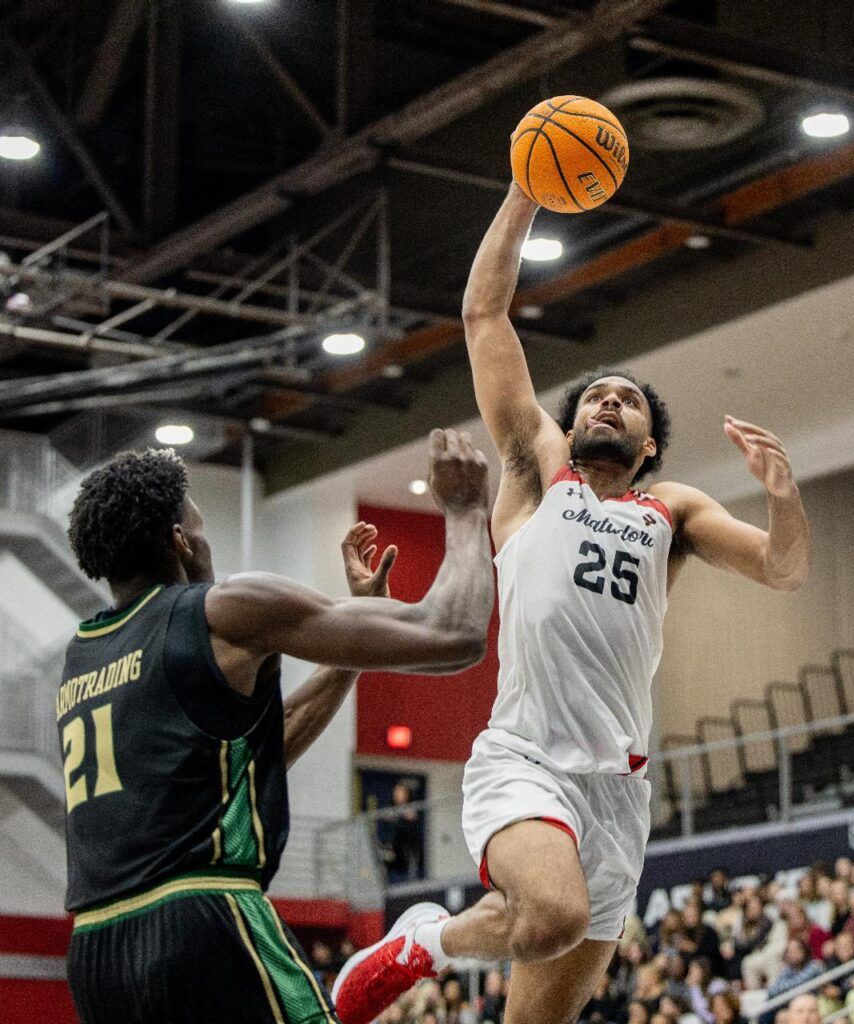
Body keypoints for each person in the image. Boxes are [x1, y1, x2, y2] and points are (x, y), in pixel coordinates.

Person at [332, 182, 811, 1024]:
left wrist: (783, 498)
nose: (607, 400)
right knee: (551, 915)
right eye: (596, 394)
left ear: (649, 444)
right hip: (526, 757)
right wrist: (525, 190)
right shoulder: (538, 474)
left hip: (620, 789)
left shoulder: (675, 511)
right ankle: (428, 948)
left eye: (626, 399)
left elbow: (782, 570)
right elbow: (484, 315)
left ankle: (427, 940)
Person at [60, 435, 495, 1024]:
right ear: (180, 541)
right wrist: (467, 509)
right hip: (202, 920)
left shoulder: (85, 656)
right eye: (200, 524)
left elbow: (251, 757)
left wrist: (349, 652)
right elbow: (454, 633)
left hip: (97, 952)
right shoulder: (223, 609)